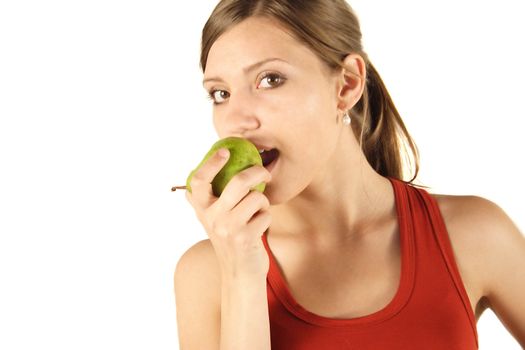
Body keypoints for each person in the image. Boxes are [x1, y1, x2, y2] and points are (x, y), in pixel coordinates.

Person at [174, 0, 525, 349]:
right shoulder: (207, 275)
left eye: (270, 79)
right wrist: (241, 275)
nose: (236, 120)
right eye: (220, 93)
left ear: (346, 85)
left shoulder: (474, 235)